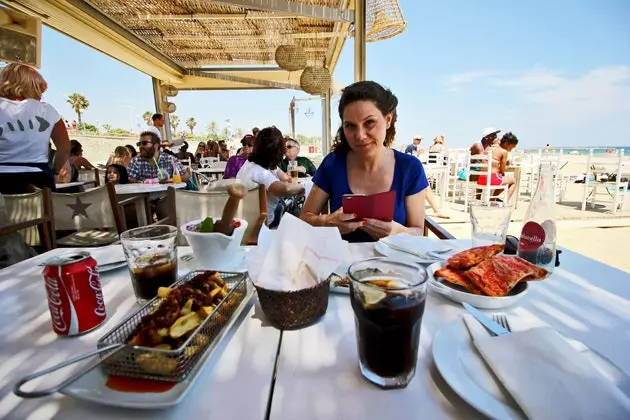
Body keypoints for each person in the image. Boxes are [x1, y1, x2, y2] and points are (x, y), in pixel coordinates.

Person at [301, 81, 429, 243]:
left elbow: (418, 231)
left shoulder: (410, 167)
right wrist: (327, 222)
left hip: (395, 265)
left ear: (388, 120)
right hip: (341, 264)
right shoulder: (333, 164)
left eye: (369, 122)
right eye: (350, 126)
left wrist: (397, 232)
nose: (360, 135)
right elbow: (305, 219)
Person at [0, 63, 70, 194]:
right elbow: (65, 149)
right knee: (43, 214)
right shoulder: (47, 111)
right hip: (38, 179)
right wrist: (54, 170)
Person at [236, 126, 304, 225]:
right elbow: (287, 189)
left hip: (244, 220)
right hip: (262, 225)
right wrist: (304, 187)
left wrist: (291, 180)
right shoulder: (261, 173)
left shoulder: (252, 164)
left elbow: (286, 178)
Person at [476, 133, 516, 201]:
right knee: (513, 180)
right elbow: (502, 170)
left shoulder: (489, 149)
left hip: (480, 179)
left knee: (502, 178)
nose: (511, 150)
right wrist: (507, 165)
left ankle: (493, 198)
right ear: (506, 143)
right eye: (511, 147)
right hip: (491, 180)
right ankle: (505, 202)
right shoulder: (504, 152)